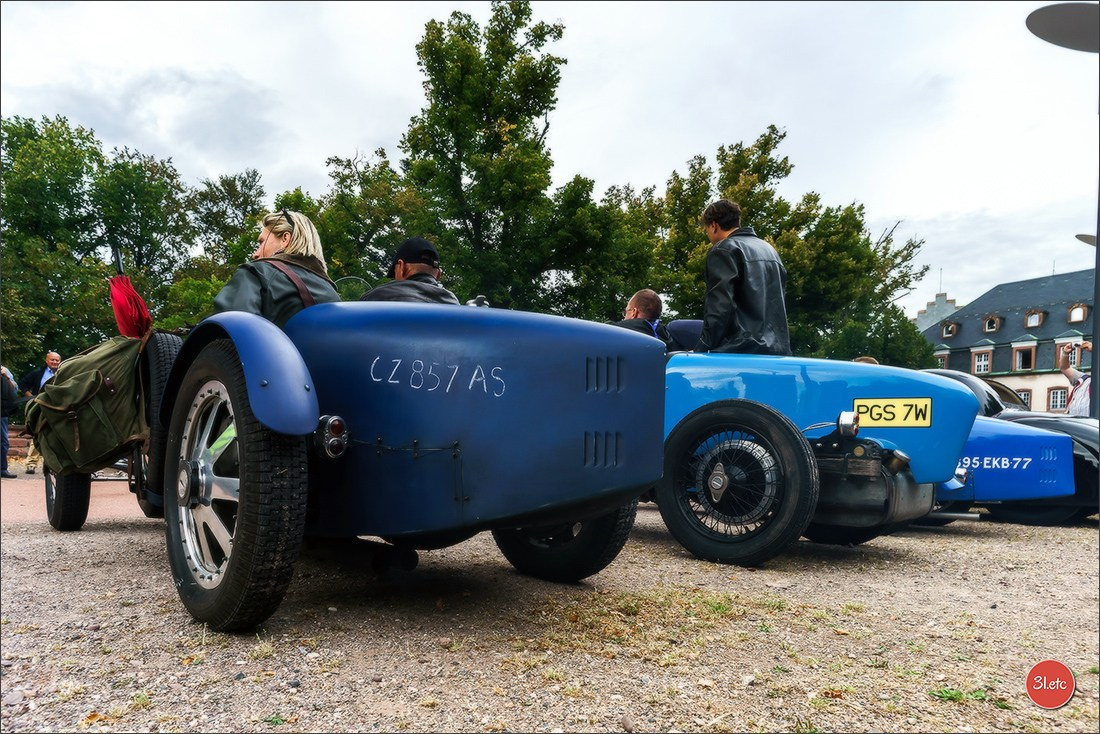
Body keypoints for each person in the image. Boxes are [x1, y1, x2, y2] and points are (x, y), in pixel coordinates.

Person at [694, 199, 791, 355]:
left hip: (739, 349)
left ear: (713, 225)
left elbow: (720, 306)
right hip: (778, 351)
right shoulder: (769, 250)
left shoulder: (723, 250)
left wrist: (702, 347)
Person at [213, 209, 340, 328]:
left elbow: (231, 331)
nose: (255, 254)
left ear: (285, 239)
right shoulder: (332, 294)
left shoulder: (257, 273)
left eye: (261, 242)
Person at [361, 237, 461, 304]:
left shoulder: (374, 299)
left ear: (401, 267)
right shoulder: (454, 303)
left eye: (394, 273)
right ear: (439, 274)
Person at [18, 351, 61, 474]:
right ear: (47, 361)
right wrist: (31, 398)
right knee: (38, 433)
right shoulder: (38, 373)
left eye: (57, 360)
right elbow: (22, 384)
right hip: (40, 407)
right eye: (52, 360)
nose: (55, 362)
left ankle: (50, 464)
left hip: (57, 408)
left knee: (56, 435)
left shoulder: (63, 373)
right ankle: (31, 464)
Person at [1059, 340, 1093, 417]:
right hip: (1075, 425)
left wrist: (1095, 350)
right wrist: (1065, 354)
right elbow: (1065, 368)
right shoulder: (1084, 379)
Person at [1, 365, 18, 479]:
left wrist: (5, 376)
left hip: (2, 412)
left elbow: (14, 390)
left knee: (3, 441)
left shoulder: (4, 370)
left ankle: (2, 469)